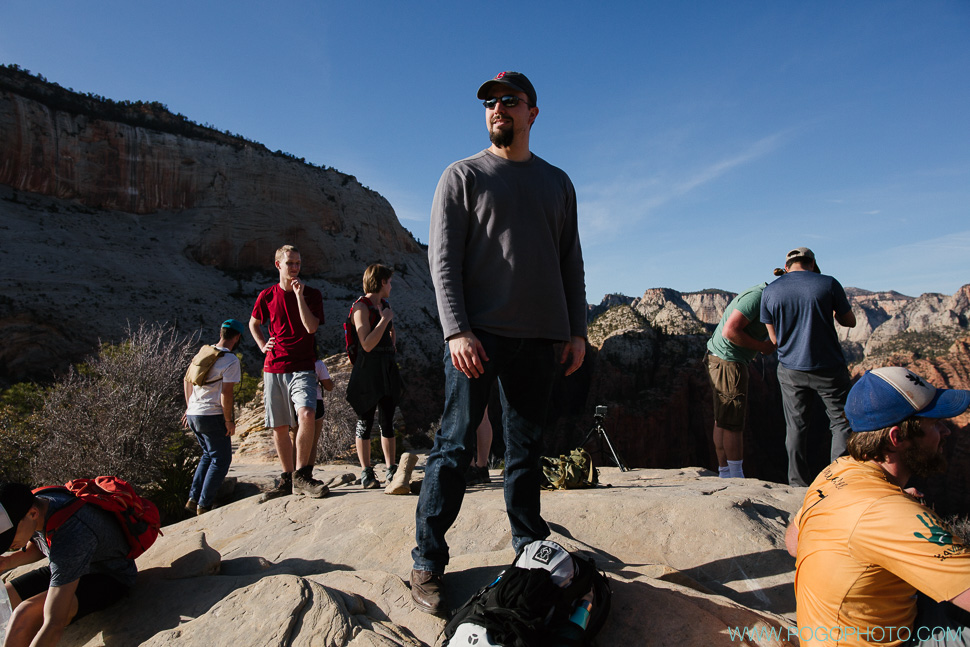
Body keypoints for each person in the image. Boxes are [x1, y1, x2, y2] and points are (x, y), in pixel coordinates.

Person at [411, 71, 587, 614]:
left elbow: (570, 261)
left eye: (509, 100)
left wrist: (576, 328)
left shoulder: (558, 182)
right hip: (478, 337)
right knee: (455, 444)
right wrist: (457, 330)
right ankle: (427, 561)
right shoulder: (461, 176)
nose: (497, 109)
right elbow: (443, 263)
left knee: (527, 449)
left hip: (540, 337)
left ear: (533, 113)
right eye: (490, 102)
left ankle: (528, 546)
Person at [786, 367, 970, 646]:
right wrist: (896, 517)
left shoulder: (837, 471)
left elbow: (794, 542)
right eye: (934, 424)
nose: (946, 431)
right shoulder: (891, 513)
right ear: (897, 438)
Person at [760, 247, 857, 486]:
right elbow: (850, 321)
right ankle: (839, 481)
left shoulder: (770, 291)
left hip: (791, 369)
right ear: (812, 263)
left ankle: (797, 483)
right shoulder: (828, 283)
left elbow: (774, 340)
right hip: (828, 368)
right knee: (841, 422)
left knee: (796, 427)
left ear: (787, 265)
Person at [0, 482, 137, 646]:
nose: (9, 545)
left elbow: (54, 624)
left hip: (108, 576)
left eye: (10, 537)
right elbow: (44, 541)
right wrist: (7, 561)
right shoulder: (35, 503)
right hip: (72, 565)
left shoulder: (71, 533)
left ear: (33, 513)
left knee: (24, 615)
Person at [250, 244, 329, 499]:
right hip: (274, 367)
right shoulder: (266, 296)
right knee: (280, 426)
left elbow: (311, 327)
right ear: (278, 265)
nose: (295, 268)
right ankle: (286, 478)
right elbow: (254, 323)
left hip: (303, 366)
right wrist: (263, 345)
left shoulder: (312, 294)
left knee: (306, 414)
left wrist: (298, 296)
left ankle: (302, 475)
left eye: (298, 263)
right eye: (290, 263)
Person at [705, 282, 776, 478]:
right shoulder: (758, 297)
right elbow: (730, 331)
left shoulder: (765, 296)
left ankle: (724, 472)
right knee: (732, 422)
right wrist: (762, 346)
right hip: (728, 361)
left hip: (722, 359)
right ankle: (736, 476)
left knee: (723, 418)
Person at [345, 263, 402, 489]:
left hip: (386, 367)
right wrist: (385, 319)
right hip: (368, 369)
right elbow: (366, 344)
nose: (391, 286)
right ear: (380, 282)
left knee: (388, 420)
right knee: (364, 420)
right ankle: (367, 472)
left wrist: (389, 328)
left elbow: (389, 337)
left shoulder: (384, 305)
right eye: (389, 282)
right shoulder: (361, 307)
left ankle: (391, 469)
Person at [182, 319, 243, 514]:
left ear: (221, 332)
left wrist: (189, 406)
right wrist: (228, 420)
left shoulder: (204, 352)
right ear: (237, 337)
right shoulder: (231, 360)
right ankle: (204, 504)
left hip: (194, 413)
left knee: (208, 454)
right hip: (212, 414)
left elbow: (187, 379)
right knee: (221, 459)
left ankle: (193, 498)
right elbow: (227, 393)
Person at [311, 356, 335, 466]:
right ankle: (306, 473)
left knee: (295, 440)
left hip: (294, 402)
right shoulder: (318, 363)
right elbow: (329, 386)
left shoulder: (293, 361)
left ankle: (292, 471)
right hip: (316, 401)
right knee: (313, 443)